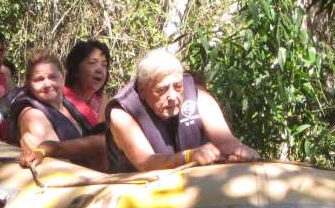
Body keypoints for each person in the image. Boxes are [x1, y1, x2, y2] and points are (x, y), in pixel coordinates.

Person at [105, 47, 257, 173]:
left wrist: (241, 150)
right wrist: (188, 156)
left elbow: (225, 140)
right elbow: (146, 163)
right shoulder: (122, 114)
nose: (172, 96)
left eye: (178, 86)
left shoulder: (201, 99)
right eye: (162, 89)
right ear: (143, 91)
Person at [13, 50, 106, 170]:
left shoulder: (68, 105)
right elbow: (58, 163)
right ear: (28, 84)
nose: (47, 84)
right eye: (39, 79)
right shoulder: (33, 115)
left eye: (52, 77)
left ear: (63, 77)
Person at [63, 39, 111, 127]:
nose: (99, 70)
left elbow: (101, 137)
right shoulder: (58, 94)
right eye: (92, 63)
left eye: (104, 65)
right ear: (75, 69)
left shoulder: (103, 102)